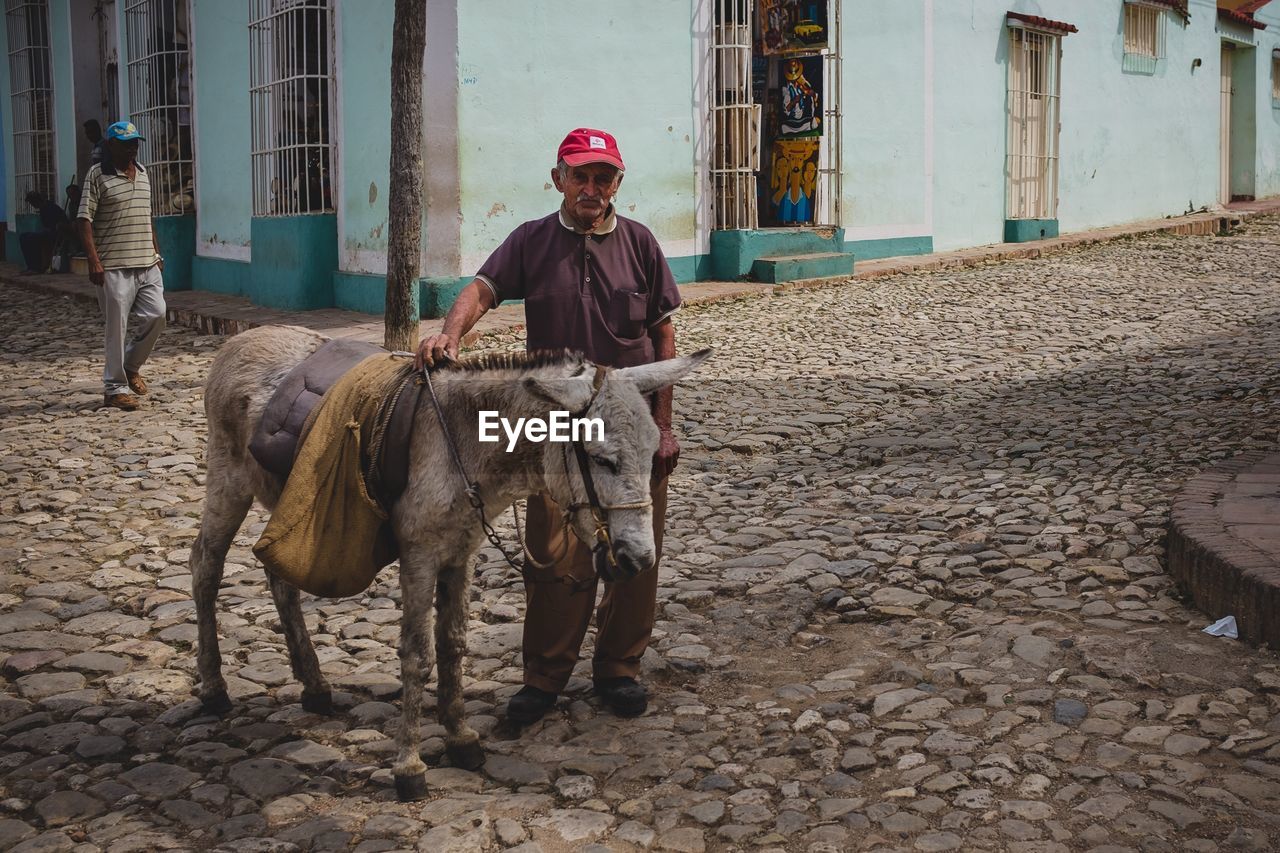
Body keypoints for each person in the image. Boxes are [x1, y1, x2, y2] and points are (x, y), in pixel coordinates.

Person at [415, 128, 682, 724]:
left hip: (625, 429)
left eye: (603, 177)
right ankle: (544, 677)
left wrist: (664, 426)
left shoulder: (640, 243)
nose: (591, 187)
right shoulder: (532, 240)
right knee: (554, 553)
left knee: (635, 550)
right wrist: (449, 333)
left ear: (618, 181)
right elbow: (482, 291)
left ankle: (619, 669)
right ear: (558, 177)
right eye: (580, 175)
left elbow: (663, 337)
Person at [77, 120, 166, 412]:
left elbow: (146, 215)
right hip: (113, 266)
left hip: (147, 262)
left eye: (135, 142)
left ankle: (130, 366)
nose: (133, 147)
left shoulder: (143, 173)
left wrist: (156, 251)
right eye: (127, 143)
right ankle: (114, 389)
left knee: (158, 314)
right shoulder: (97, 175)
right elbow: (84, 221)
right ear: (110, 145)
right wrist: (93, 260)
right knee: (117, 328)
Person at [18, 190, 69, 273]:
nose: (32, 205)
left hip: (57, 234)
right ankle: (31, 266)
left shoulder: (50, 207)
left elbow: (56, 225)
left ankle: (35, 267)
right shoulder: (43, 208)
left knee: (31, 239)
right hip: (49, 233)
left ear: (36, 201)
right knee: (23, 236)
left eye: (32, 203)